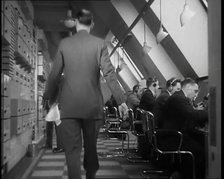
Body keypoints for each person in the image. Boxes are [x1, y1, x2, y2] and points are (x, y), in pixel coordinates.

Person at [43, 9, 128, 179]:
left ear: (75, 22)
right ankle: (90, 175)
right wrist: (121, 101)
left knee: (72, 152)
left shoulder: (65, 44)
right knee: (91, 149)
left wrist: (47, 98)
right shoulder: (99, 44)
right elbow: (109, 73)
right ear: (93, 24)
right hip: (92, 107)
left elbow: (54, 75)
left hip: (69, 106)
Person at [161, 78, 208, 179]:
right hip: (172, 137)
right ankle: (184, 174)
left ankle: (181, 172)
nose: (196, 95)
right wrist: (212, 112)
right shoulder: (179, 98)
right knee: (199, 150)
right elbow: (192, 114)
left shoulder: (178, 97)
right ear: (187, 88)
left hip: (173, 134)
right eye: (195, 91)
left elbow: (189, 114)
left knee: (201, 140)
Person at [138, 77, 160, 159]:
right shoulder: (148, 94)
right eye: (157, 85)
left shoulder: (148, 93)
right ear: (153, 85)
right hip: (144, 125)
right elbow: (156, 107)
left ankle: (152, 152)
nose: (158, 87)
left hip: (144, 123)